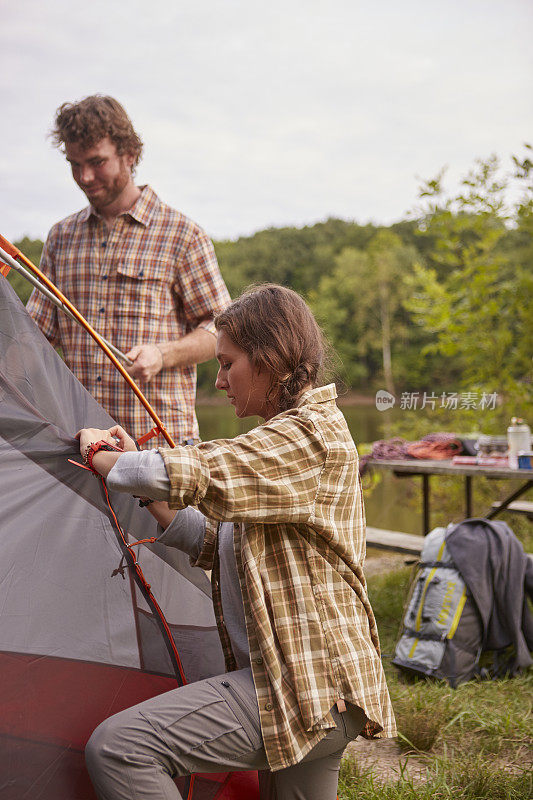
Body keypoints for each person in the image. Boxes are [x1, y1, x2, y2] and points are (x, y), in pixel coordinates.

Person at [76, 284, 396, 800]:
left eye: (227, 364)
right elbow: (213, 541)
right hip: (322, 691)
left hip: (304, 688)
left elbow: (207, 468)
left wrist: (107, 461)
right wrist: (140, 477)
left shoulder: (308, 436)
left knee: (121, 748)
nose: (219, 381)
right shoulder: (280, 444)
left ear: (268, 360)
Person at [27, 94, 230, 445]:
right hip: (83, 447)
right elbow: (33, 337)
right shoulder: (61, 238)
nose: (85, 177)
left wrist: (162, 354)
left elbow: (222, 329)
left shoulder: (183, 235)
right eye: (75, 165)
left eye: (97, 162)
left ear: (129, 155)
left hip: (161, 449)